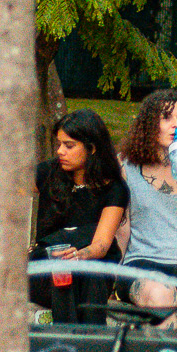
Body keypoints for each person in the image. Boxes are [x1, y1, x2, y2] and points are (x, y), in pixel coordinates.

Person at [29, 109, 128, 323]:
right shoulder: (47, 172)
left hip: (91, 266)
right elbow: (8, 191)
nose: (60, 151)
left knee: (90, 274)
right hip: (46, 267)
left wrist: (77, 256)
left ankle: (85, 346)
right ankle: (77, 345)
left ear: (92, 148)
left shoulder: (114, 188)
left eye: (69, 145)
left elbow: (101, 245)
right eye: (59, 144)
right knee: (63, 274)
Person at [115, 90, 177, 305]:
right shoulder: (127, 166)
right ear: (147, 124)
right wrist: (114, 274)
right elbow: (121, 227)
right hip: (144, 265)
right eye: (166, 117)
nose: (176, 125)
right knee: (161, 295)